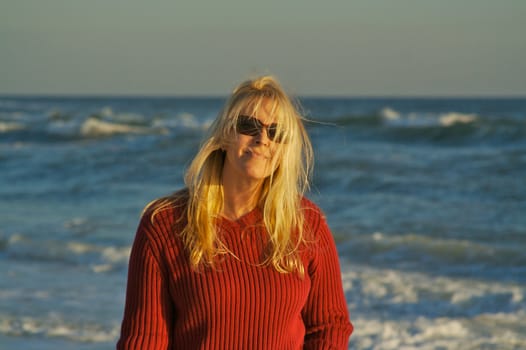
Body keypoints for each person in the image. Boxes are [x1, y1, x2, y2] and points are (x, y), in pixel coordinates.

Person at [117, 75, 353, 349]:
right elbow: (144, 339)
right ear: (224, 135)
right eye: (248, 126)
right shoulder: (164, 224)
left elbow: (329, 328)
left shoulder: (307, 224)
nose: (262, 139)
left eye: (276, 133)